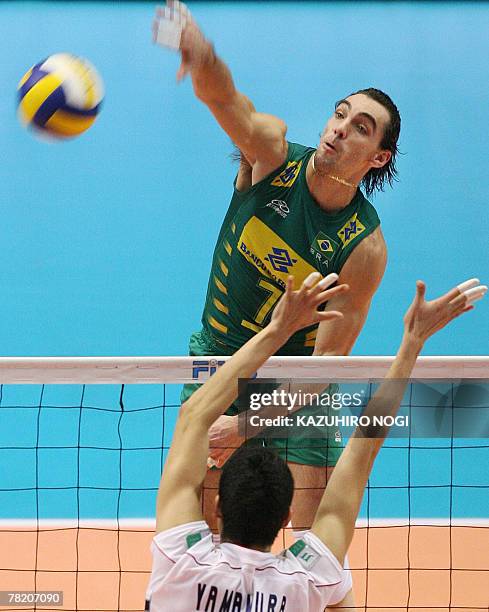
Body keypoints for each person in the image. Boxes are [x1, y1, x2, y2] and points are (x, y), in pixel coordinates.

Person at [153, 1, 402, 531]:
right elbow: (225, 99)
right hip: (220, 362)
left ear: (378, 155)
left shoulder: (364, 248)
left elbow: (327, 368)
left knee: (313, 546)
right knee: (201, 532)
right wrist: (201, 54)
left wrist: (248, 424)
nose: (340, 129)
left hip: (298, 378)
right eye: (340, 113)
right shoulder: (272, 155)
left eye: (361, 127)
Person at [144, 273, 486, 611]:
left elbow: (193, 415)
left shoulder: (180, 560)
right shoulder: (307, 579)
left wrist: (278, 328)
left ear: (217, 508)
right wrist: (412, 342)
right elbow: (363, 450)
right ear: (286, 518)